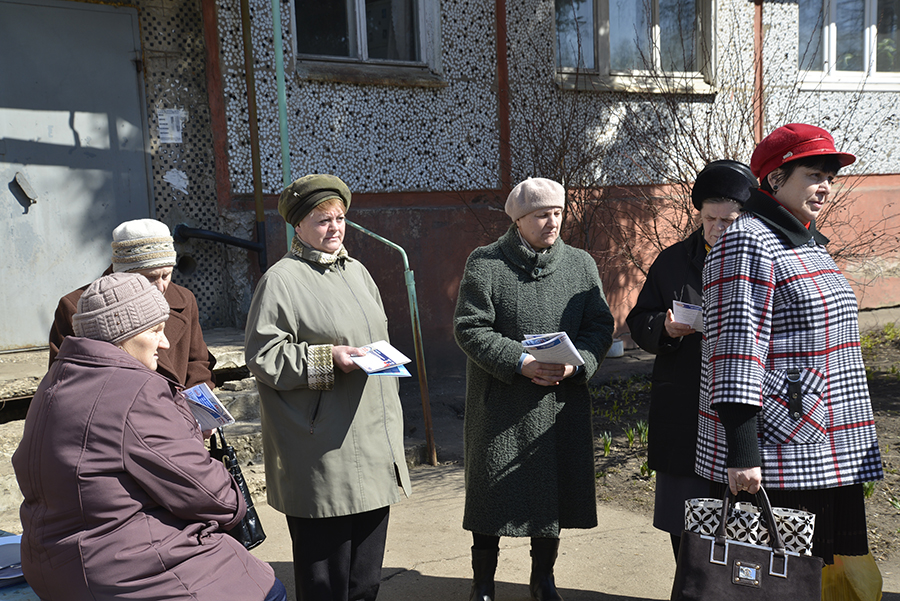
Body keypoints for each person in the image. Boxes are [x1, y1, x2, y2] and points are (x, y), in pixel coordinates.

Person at [12, 272, 285, 601]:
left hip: (56, 563)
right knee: (267, 587)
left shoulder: (58, 378)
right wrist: (185, 422)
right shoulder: (135, 389)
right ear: (123, 334)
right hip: (123, 573)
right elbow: (213, 496)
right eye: (156, 330)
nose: (166, 342)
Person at [697, 124, 884, 571]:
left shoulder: (801, 237)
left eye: (829, 178)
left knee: (806, 572)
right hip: (778, 444)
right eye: (813, 175)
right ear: (775, 178)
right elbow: (734, 349)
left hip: (815, 435)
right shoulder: (748, 239)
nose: (824, 188)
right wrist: (742, 453)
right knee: (774, 574)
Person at [244, 174, 411, 601]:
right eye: (322, 220)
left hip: (372, 441)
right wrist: (326, 360)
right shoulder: (281, 280)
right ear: (298, 226)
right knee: (325, 584)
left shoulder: (358, 271)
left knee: (365, 580)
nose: (334, 228)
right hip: (322, 450)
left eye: (340, 219)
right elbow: (263, 356)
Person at [453, 177, 614, 601]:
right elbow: (470, 328)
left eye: (558, 212)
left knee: (551, 492)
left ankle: (543, 578)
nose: (552, 222)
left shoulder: (580, 265)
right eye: (542, 214)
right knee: (492, 494)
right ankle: (483, 583)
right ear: (518, 220)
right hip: (502, 402)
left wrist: (579, 364)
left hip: (559, 402)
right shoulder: (486, 263)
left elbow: (600, 326)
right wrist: (521, 363)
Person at [626, 160, 756, 560]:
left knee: (743, 523)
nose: (718, 228)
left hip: (742, 407)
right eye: (710, 219)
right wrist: (663, 329)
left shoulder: (761, 259)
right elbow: (639, 319)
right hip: (683, 403)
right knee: (686, 519)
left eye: (729, 220)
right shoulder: (673, 260)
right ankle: (690, 584)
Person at [48, 218, 216, 390]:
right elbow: (65, 377)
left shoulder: (184, 299)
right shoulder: (75, 307)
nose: (160, 287)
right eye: (149, 277)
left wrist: (196, 405)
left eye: (166, 275)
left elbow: (198, 363)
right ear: (122, 273)